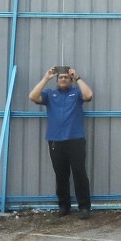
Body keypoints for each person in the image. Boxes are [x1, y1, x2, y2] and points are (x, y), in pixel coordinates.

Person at [29, 65, 94, 218]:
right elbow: (33, 96)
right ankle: (64, 206)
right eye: (61, 78)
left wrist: (77, 77)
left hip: (75, 140)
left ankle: (84, 207)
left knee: (79, 173)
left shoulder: (77, 93)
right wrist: (46, 78)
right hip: (55, 141)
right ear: (57, 80)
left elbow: (89, 95)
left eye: (66, 77)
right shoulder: (50, 94)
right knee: (61, 175)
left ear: (70, 80)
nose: (63, 79)